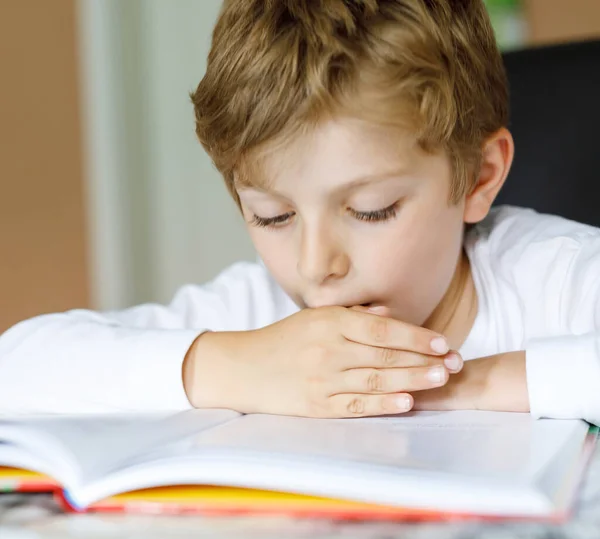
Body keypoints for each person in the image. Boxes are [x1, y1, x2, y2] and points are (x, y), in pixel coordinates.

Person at [0, 0, 599, 423]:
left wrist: (448, 386)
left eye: (371, 210)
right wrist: (238, 368)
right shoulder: (257, 316)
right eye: (272, 217)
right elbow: (17, 368)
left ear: (478, 176)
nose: (316, 267)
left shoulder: (554, 280)